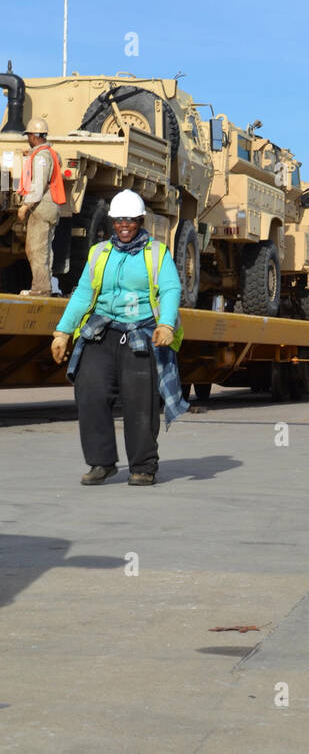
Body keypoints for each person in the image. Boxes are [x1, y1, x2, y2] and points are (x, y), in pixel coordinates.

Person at [50, 190, 187, 486]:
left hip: (142, 332)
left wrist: (165, 325)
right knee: (90, 391)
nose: (124, 225)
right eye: (119, 220)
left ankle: (143, 466)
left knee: (140, 400)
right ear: (112, 222)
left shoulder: (156, 253)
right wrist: (62, 331)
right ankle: (101, 463)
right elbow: (84, 294)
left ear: (140, 221)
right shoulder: (99, 253)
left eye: (130, 220)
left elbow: (171, 289)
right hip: (103, 330)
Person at [16, 115, 65, 296]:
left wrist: (25, 206)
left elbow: (38, 184)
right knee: (44, 249)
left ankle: (40, 289)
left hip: (41, 208)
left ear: (34, 136)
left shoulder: (42, 157)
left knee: (36, 248)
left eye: (28, 135)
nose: (28, 139)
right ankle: (45, 286)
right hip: (50, 207)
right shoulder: (50, 154)